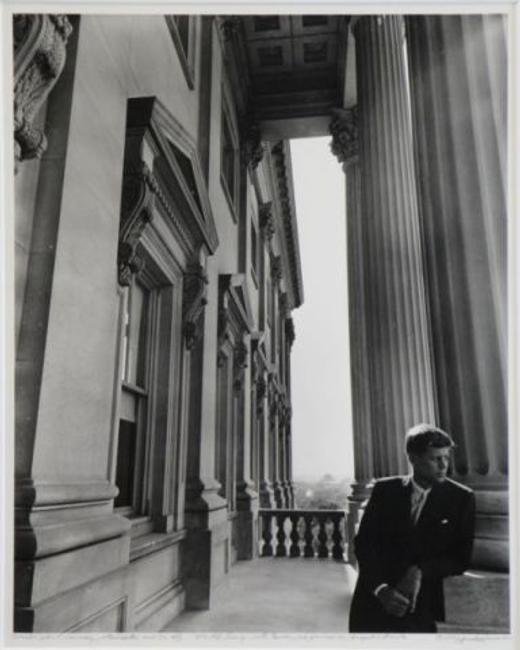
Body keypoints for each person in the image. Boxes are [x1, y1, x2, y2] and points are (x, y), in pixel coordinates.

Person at [348, 423, 476, 633]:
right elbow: (363, 544)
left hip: (419, 607)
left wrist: (419, 571)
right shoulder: (385, 490)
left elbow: (461, 558)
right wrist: (381, 590)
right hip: (371, 605)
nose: (444, 465)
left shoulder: (462, 498)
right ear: (413, 459)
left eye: (446, 457)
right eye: (435, 458)